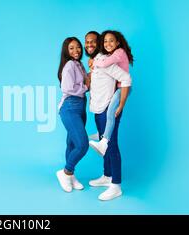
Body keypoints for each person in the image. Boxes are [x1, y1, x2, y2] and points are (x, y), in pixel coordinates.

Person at [85, 31, 132, 201]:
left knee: (111, 145)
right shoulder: (96, 62)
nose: (89, 45)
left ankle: (116, 185)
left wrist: (120, 104)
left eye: (93, 42)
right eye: (87, 42)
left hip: (108, 109)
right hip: (97, 109)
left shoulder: (104, 62)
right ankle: (107, 176)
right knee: (104, 146)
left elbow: (126, 78)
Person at [89, 30, 134, 156]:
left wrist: (94, 61)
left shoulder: (119, 52)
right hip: (119, 88)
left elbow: (104, 63)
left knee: (110, 112)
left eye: (111, 41)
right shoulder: (114, 53)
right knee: (109, 112)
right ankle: (101, 133)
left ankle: (103, 142)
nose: (107, 43)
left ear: (118, 42)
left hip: (123, 88)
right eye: (105, 41)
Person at [56, 37, 90, 193]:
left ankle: (70, 176)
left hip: (80, 106)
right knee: (82, 145)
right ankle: (65, 172)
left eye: (78, 47)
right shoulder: (69, 65)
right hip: (70, 107)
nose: (76, 50)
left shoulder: (79, 64)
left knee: (72, 144)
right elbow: (68, 88)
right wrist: (85, 86)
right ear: (66, 51)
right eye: (71, 48)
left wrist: (92, 72)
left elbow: (85, 81)